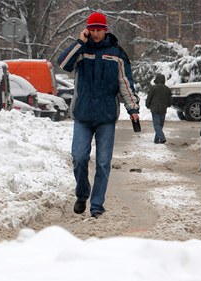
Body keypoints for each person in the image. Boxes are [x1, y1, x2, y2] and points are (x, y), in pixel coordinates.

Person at [57, 12, 140, 218]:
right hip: (82, 115)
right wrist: (79, 42)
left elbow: (125, 83)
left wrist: (133, 109)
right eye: (91, 29)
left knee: (103, 163)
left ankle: (97, 206)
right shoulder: (81, 51)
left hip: (106, 117)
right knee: (79, 157)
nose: (95, 33)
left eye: (98, 30)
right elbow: (64, 63)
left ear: (105, 30)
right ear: (87, 30)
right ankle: (82, 194)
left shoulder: (116, 53)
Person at [145, 74, 172, 144]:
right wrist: (167, 105)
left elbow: (149, 98)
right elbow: (170, 101)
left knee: (157, 125)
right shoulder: (167, 89)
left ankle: (161, 138)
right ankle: (156, 140)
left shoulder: (153, 88)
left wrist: (147, 105)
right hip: (163, 109)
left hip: (154, 109)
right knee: (160, 125)